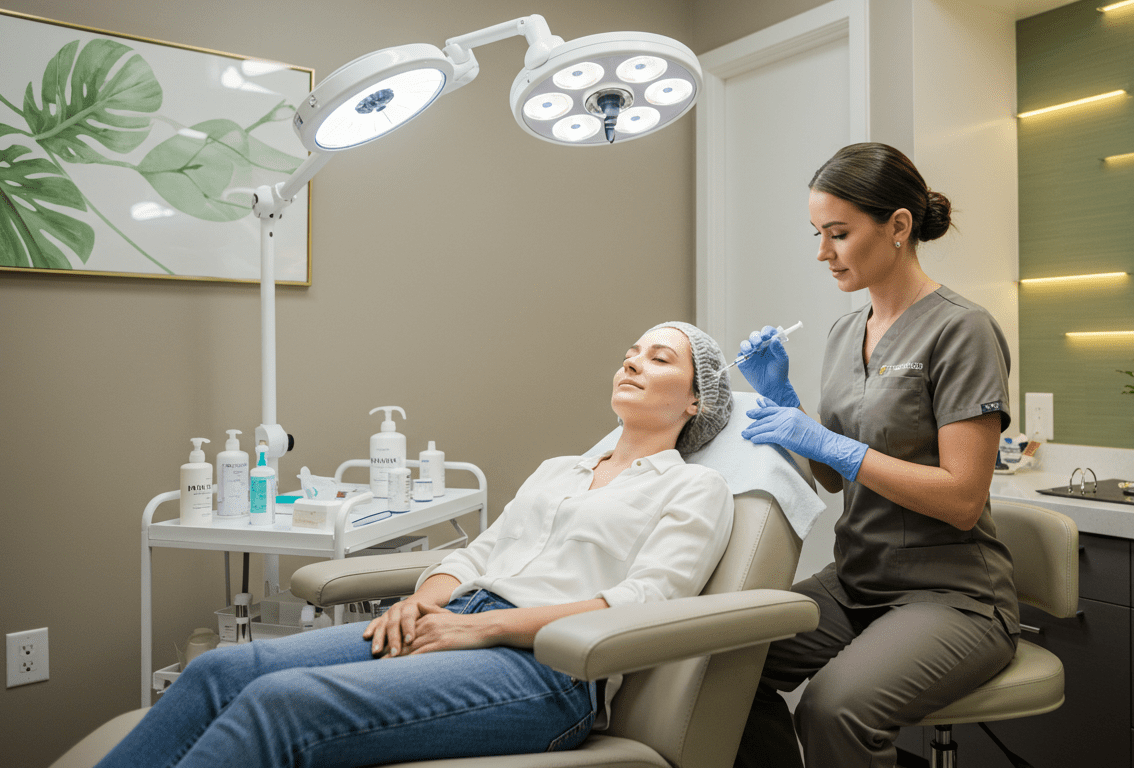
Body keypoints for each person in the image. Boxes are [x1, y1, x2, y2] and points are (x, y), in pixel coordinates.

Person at [97, 321, 736, 768]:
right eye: (632, 350)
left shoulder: (696, 489)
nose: (632, 361)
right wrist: (423, 602)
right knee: (218, 670)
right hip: (452, 619)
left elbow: (644, 601)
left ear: (696, 399)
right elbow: (476, 554)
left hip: (547, 671)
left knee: (281, 703)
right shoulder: (559, 469)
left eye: (659, 358)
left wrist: (488, 631)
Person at [732, 143, 1020, 768]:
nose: (822, 252)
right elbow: (834, 480)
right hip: (857, 580)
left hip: (953, 596)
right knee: (721, 663)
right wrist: (783, 399)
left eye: (838, 233)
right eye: (817, 233)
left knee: (834, 708)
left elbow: (963, 499)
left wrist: (828, 440)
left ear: (897, 227)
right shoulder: (843, 333)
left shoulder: (961, 330)